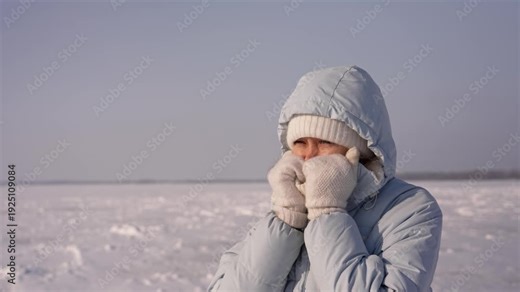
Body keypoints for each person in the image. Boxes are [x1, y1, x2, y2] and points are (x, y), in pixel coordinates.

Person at [207, 65, 443, 291]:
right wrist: (286, 221)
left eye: (325, 142)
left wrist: (327, 213)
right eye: (300, 143)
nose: (308, 157)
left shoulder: (411, 208)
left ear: (359, 149)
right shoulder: (287, 208)